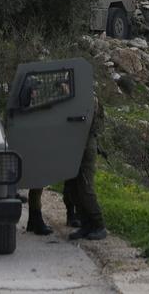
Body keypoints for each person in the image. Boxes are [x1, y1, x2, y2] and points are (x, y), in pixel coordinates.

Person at [63, 90, 106, 240]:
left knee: (85, 187)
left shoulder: (89, 96)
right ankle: (86, 224)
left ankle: (98, 224)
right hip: (74, 144)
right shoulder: (75, 95)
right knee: (73, 189)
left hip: (86, 144)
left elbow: (86, 120)